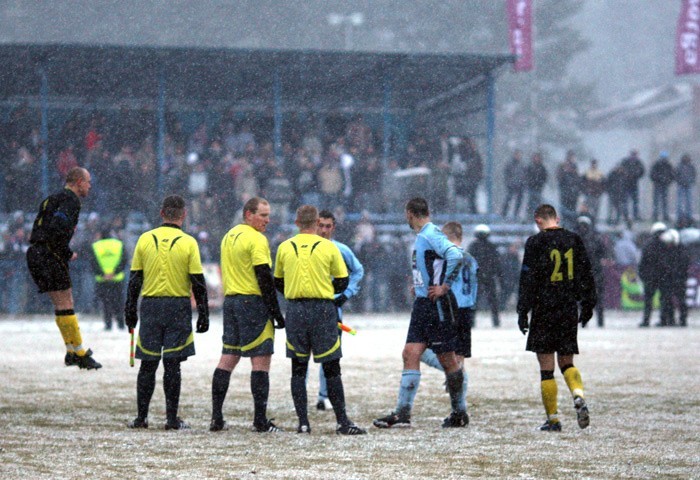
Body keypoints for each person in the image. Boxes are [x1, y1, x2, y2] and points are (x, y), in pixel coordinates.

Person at [373, 197, 467, 429]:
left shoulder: (430, 235)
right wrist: (420, 284)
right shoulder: (424, 236)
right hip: (423, 305)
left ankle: (459, 412)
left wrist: (444, 285)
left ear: (409, 214)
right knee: (410, 353)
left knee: (448, 361)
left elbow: (456, 255)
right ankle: (402, 414)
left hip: (436, 306)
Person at [273, 205, 366, 435]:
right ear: (316, 223)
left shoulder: (285, 247)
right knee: (332, 367)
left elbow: (278, 281)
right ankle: (342, 422)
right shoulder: (328, 247)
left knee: (298, 367)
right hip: (323, 310)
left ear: (296, 223)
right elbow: (343, 281)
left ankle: (303, 423)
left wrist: (295, 292)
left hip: (295, 310)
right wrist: (324, 289)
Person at [125, 195, 209, 430]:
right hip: (177, 307)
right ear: (184, 215)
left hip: (150, 306)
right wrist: (203, 313)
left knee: (148, 364)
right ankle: (171, 420)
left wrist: (130, 310)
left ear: (161, 213)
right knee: (173, 364)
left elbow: (135, 279)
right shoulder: (189, 242)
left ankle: (141, 418)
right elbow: (197, 281)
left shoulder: (144, 239)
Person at [517, 204, 596, 432]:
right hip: (567, 308)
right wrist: (588, 303)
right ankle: (578, 394)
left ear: (538, 220)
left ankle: (553, 419)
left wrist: (523, 311)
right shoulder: (574, 240)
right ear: (557, 218)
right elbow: (586, 273)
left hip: (544, 308)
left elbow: (528, 279)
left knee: (546, 368)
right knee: (567, 361)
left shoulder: (535, 242)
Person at [210, 197, 286, 433]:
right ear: (248, 214)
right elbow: (263, 276)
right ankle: (260, 420)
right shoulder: (257, 239)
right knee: (261, 361)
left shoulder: (229, 236)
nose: (267, 220)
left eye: (268, 215)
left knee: (228, 358)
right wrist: (276, 312)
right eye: (263, 215)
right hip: (252, 302)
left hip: (231, 302)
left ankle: (216, 417)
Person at [26, 166, 102, 370]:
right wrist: (67, 252)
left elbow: (40, 227)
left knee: (63, 302)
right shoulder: (71, 201)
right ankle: (79, 352)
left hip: (37, 253)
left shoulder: (52, 198)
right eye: (88, 182)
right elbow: (56, 228)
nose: (89, 186)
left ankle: (71, 351)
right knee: (66, 302)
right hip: (49, 253)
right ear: (78, 182)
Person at [419, 221, 477, 422]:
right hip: (467, 310)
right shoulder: (471, 259)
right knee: (459, 356)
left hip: (451, 308)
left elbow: (445, 281)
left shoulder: (450, 257)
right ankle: (459, 408)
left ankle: (454, 381)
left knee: (438, 355)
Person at [315, 209, 364, 411]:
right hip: (305, 307)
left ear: (333, 228)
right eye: (321, 225)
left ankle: (323, 396)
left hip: (330, 308)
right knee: (300, 356)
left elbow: (358, 270)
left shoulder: (340, 249)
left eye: (328, 226)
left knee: (329, 354)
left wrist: (346, 294)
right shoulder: (302, 247)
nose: (324, 230)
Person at [90, 227, 127, 330]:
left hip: (103, 280)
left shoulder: (96, 246)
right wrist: (114, 272)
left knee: (106, 303)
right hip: (117, 279)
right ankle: (121, 324)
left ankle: (108, 324)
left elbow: (93, 263)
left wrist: (103, 274)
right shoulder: (119, 244)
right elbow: (124, 260)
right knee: (119, 302)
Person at [575, 216, 607, 327]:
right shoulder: (595, 239)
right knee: (596, 300)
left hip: (586, 273)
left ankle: (587, 322)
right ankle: (598, 322)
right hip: (592, 273)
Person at [468, 224, 502, 327]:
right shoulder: (491, 246)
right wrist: (498, 276)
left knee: (475, 301)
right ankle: (495, 322)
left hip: (478, 277)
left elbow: (468, 262)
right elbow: (497, 263)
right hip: (488, 276)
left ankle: (472, 322)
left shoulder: (473, 246)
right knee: (492, 301)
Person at [638, 222, 667, 327]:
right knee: (664, 299)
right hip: (663, 276)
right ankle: (663, 320)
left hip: (650, 277)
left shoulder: (648, 244)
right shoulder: (667, 244)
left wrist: (642, 275)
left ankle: (646, 321)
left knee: (648, 301)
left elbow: (643, 262)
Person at [658, 229, 689, 327]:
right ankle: (670, 320)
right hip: (669, 279)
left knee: (681, 300)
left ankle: (683, 320)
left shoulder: (682, 251)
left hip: (679, 279)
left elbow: (683, 266)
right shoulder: (667, 250)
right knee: (667, 300)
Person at [620, 149, 645, 221]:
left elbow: (642, 171)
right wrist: (628, 175)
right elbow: (621, 171)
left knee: (635, 201)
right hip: (626, 184)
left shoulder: (638, 162)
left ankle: (635, 215)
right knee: (626, 201)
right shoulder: (625, 162)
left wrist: (635, 175)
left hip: (634, 184)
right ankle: (626, 215)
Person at [501, 149, 527, 220]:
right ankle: (504, 213)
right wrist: (508, 182)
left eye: (519, 155)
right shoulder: (510, 164)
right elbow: (506, 173)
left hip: (520, 185)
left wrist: (523, 183)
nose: (518, 156)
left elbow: (524, 175)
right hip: (512, 185)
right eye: (517, 154)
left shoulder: (522, 164)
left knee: (519, 200)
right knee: (508, 198)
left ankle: (516, 214)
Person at [649, 152, 674, 222]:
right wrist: (659, 179)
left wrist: (668, 181)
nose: (664, 159)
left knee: (664, 201)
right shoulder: (657, 164)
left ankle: (665, 215)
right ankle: (655, 215)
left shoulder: (668, 165)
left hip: (664, 185)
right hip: (657, 185)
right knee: (656, 201)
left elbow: (672, 175)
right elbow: (652, 174)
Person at [675, 153, 696, 223]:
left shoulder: (691, 166)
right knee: (680, 202)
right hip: (681, 185)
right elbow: (676, 175)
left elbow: (694, 174)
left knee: (689, 201)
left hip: (688, 185)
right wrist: (680, 181)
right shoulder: (679, 166)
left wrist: (691, 181)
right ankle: (679, 216)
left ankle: (689, 215)